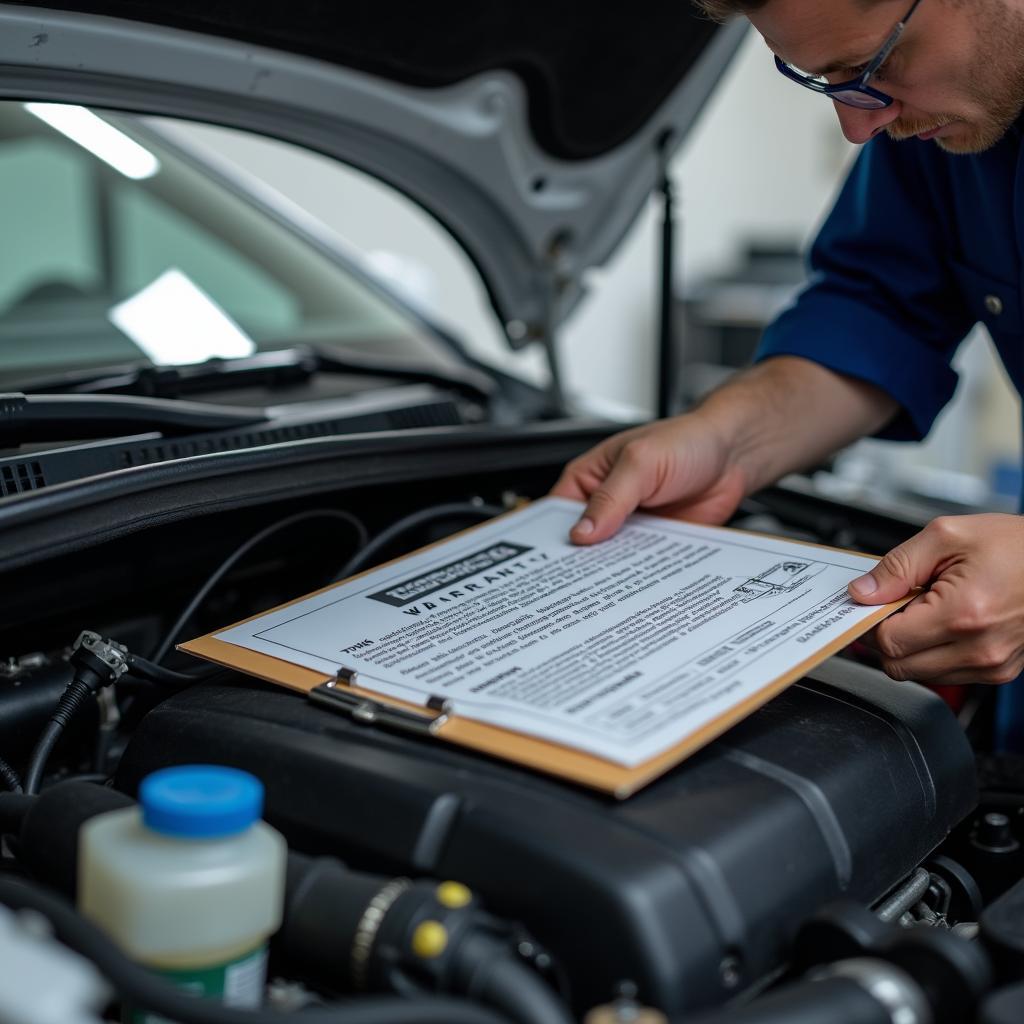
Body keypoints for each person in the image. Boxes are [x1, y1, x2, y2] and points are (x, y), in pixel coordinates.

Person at [551, 0, 1024, 749]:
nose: (860, 127)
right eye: (827, 84)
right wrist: (724, 438)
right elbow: (879, 309)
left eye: (875, 68)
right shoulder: (939, 116)